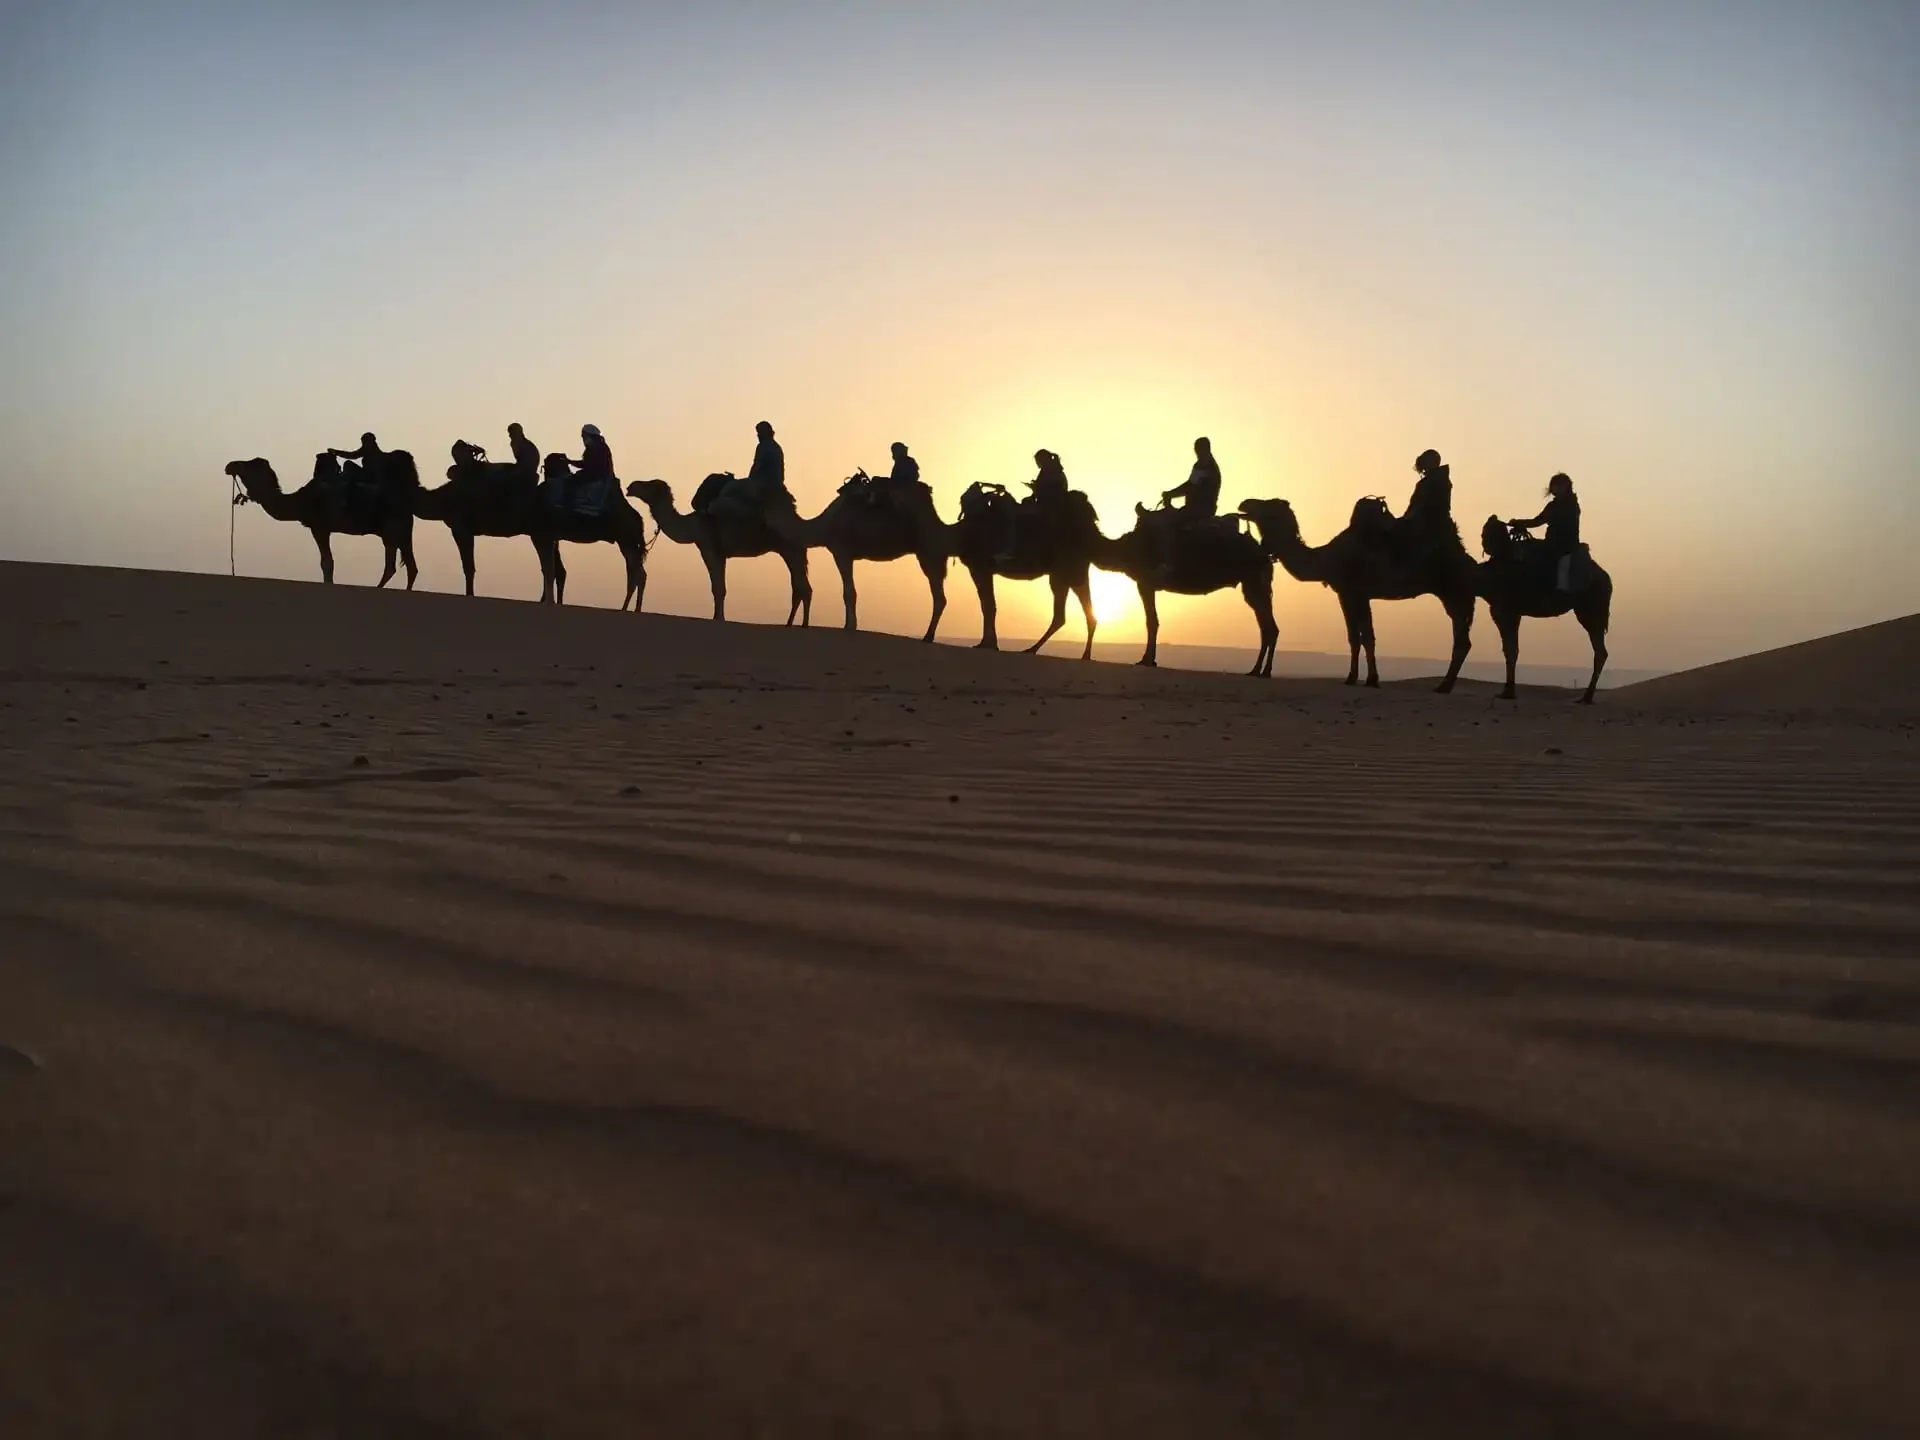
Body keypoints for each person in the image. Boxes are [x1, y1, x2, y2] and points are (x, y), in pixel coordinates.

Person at [1509, 472, 1582, 591]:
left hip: (1566, 546)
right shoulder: (1553, 505)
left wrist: (1521, 523)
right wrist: (1519, 523)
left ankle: (1561, 592)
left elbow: (1539, 521)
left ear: (1566, 487)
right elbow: (1537, 521)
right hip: (1551, 544)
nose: (1556, 488)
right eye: (1555, 485)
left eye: (1559, 485)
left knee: (1561, 569)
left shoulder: (1570, 506)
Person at [1161, 436, 1221, 519]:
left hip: (1198, 510)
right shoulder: (1211, 465)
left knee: (1169, 520)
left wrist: (1170, 494)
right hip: (1205, 509)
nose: (1196, 452)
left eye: (1197, 449)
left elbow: (1190, 485)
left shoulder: (1203, 465)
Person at [747, 420, 785, 499]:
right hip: (776, 483)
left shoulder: (763, 446)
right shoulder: (776, 447)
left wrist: (748, 481)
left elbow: (757, 466)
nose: (758, 435)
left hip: (764, 483)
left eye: (760, 432)